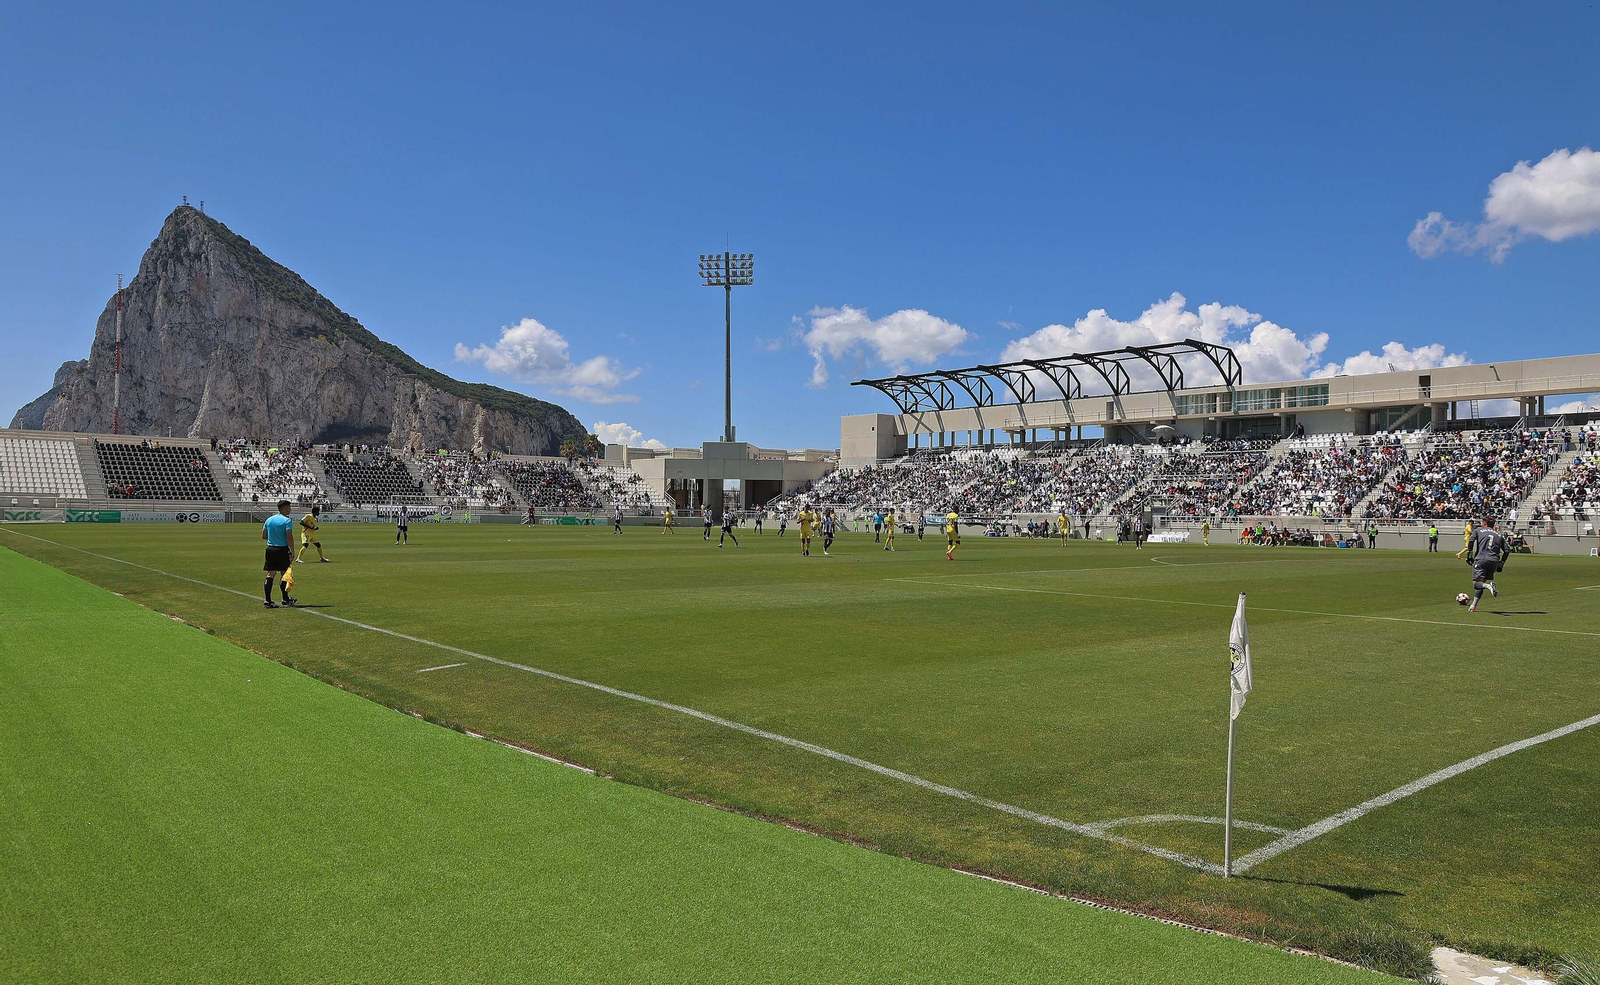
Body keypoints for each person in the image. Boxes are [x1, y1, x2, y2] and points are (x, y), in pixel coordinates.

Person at [1465, 516, 1508, 612]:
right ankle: (1473, 605)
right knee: (1481, 583)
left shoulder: (1478, 530)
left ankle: (1489, 586)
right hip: (1494, 561)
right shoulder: (1499, 535)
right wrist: (1501, 564)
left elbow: (1471, 541)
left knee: (1477, 584)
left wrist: (1469, 555)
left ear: (1484, 523)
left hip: (1481, 559)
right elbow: (1506, 551)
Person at [261, 499, 297, 608]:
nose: (290, 509)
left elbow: (263, 535)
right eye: (289, 507)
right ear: (284, 508)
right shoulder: (287, 521)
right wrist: (292, 551)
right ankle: (285, 599)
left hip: (270, 549)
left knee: (270, 573)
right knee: (284, 574)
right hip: (282, 549)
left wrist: (274, 537)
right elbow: (289, 536)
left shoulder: (269, 520)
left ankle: (268, 600)